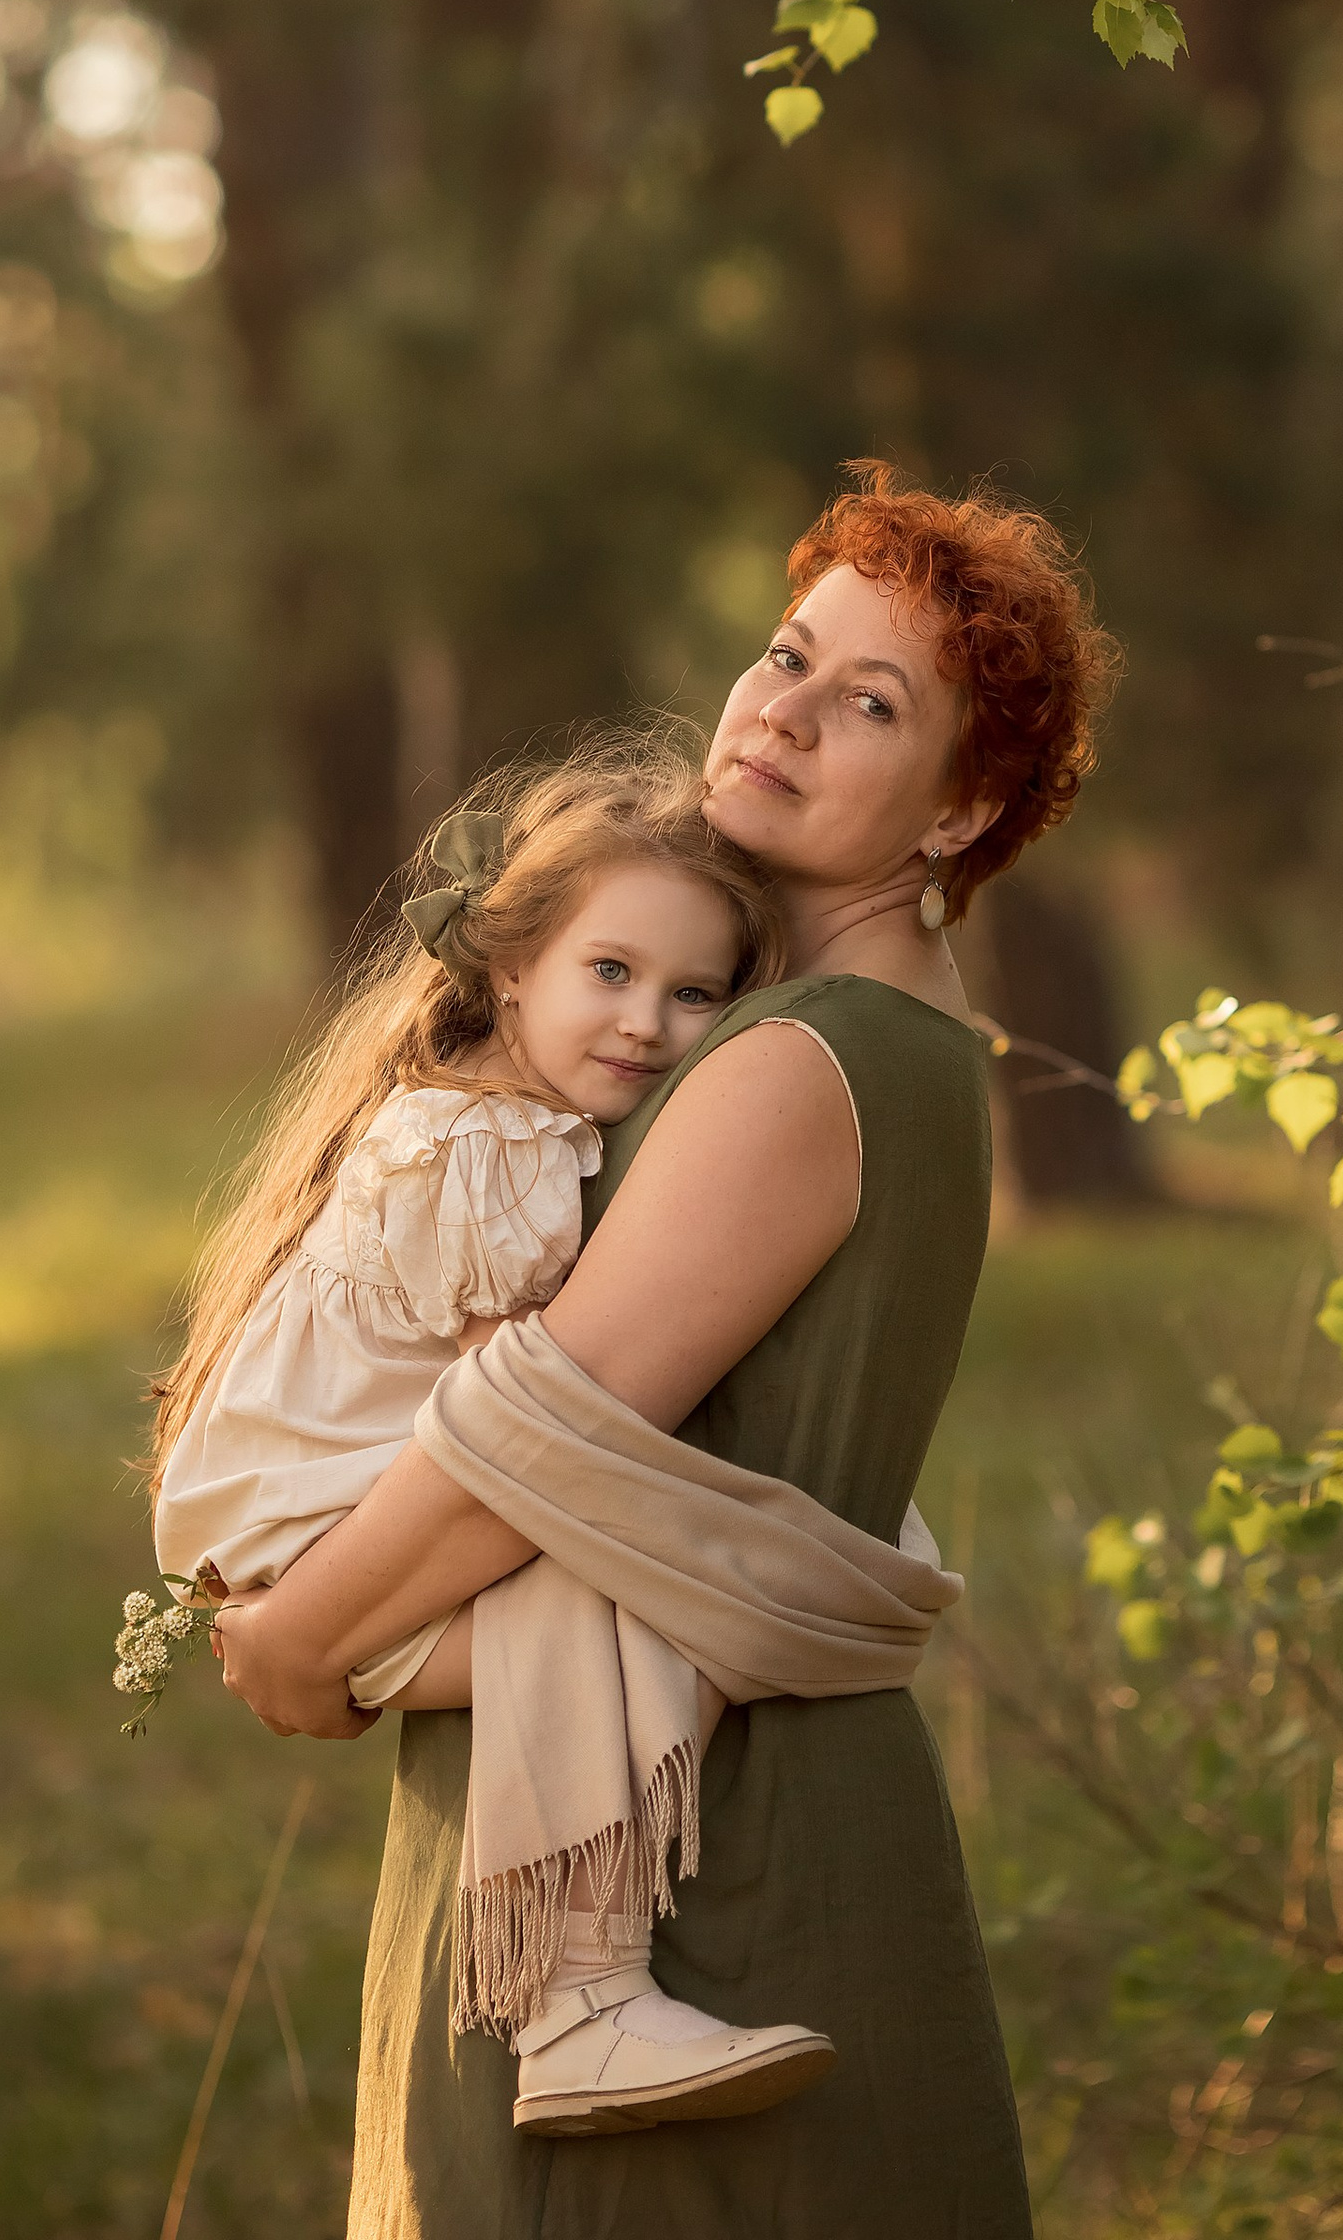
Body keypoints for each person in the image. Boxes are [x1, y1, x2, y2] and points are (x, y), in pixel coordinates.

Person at [215, 462, 1118, 2239]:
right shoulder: (895, 1036)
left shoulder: (807, 1054)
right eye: (788, 652)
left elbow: (541, 1421)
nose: (780, 708)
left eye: (872, 703)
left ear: (962, 809)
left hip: (690, 1857)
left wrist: (306, 1633)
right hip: (666, 1776)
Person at [149, 734, 837, 2130]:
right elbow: (521, 1429)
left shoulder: (511, 1115)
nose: (646, 1022)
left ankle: (581, 1995)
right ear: (510, 968)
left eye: (695, 992)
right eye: (611, 973)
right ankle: (577, 2004)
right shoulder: (485, 1149)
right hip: (314, 1534)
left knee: (673, 1600)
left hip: (330, 1504)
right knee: (649, 1603)